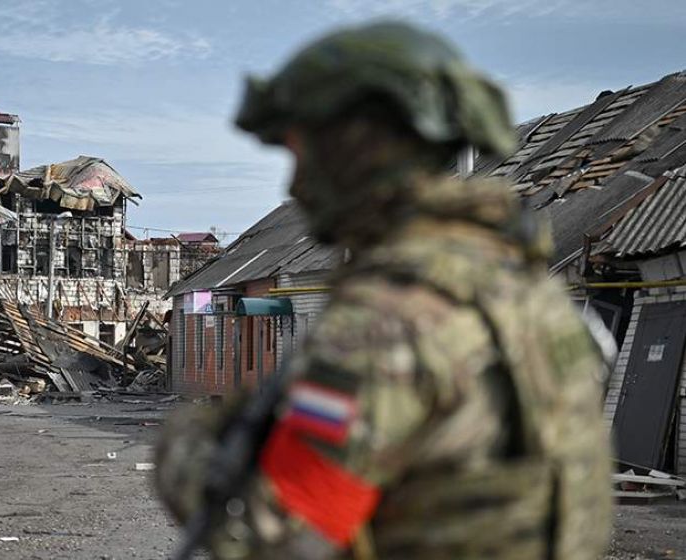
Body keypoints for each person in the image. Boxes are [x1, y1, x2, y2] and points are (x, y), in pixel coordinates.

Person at [155, 21, 611, 559]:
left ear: (357, 150)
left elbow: (270, 536)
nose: (294, 185)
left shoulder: (385, 321)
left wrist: (185, 446)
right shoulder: (527, 289)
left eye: (304, 153)